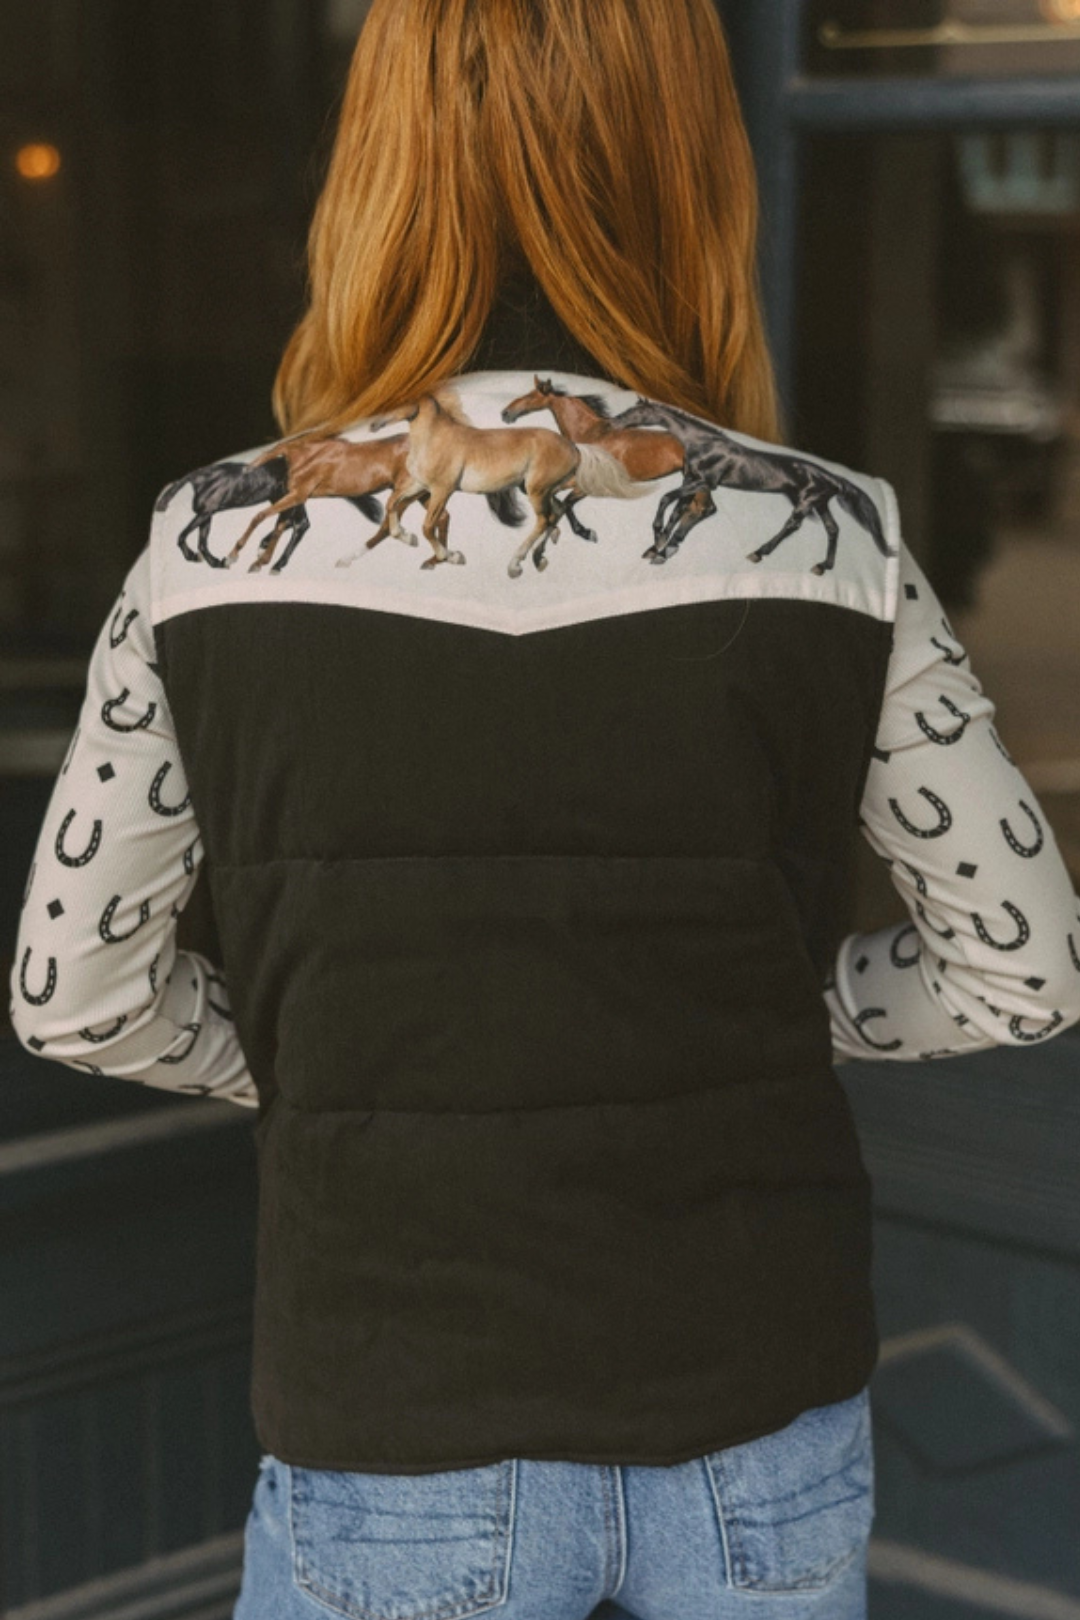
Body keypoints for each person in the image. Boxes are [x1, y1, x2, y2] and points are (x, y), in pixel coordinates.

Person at [10, 2, 1080, 1617]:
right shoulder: (825, 536)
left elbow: (71, 996)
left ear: (372, 170)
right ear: (689, 170)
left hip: (398, 1413)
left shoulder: (214, 545)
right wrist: (794, 1006)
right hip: (756, 1430)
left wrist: (309, 1060)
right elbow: (1027, 968)